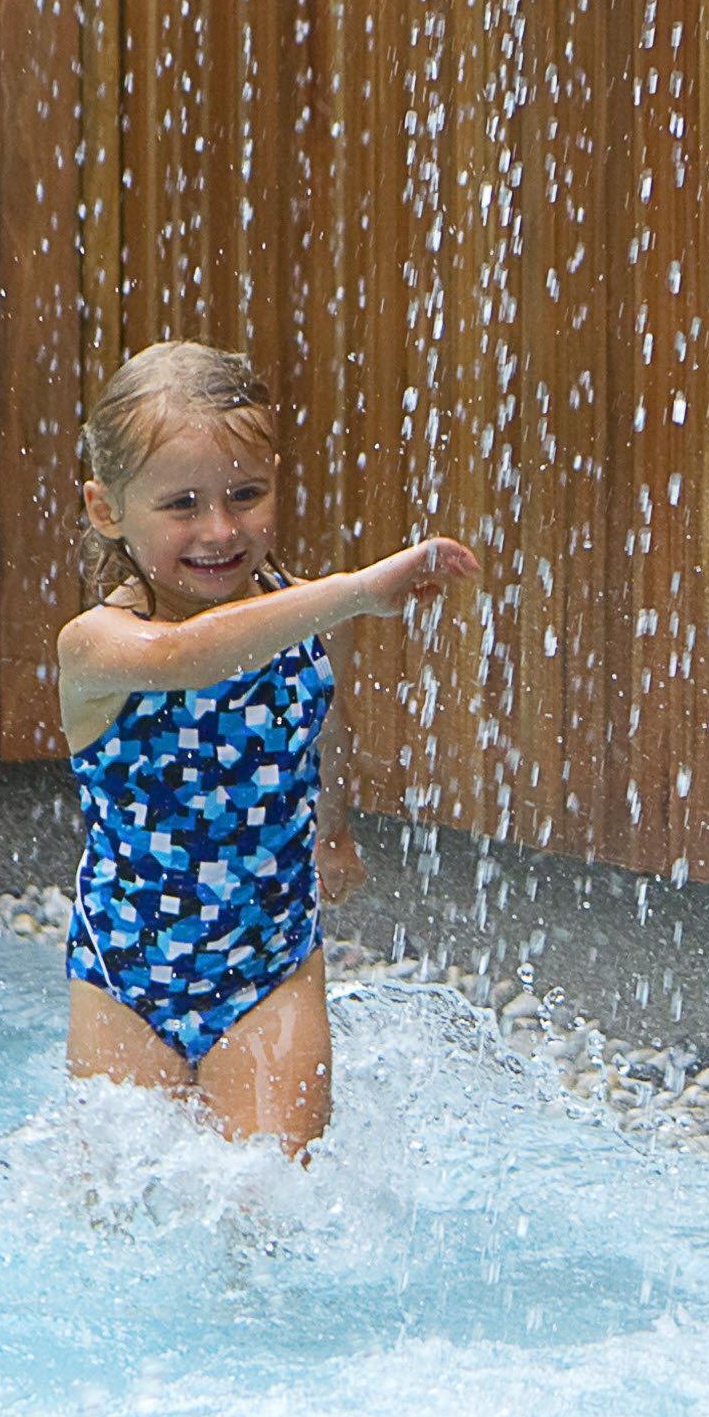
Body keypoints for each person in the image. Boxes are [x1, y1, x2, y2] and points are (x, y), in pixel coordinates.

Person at [58, 339, 483, 1156]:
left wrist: (332, 828)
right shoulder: (98, 644)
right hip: (125, 975)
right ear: (108, 509)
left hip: (271, 966)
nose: (220, 529)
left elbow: (321, 723)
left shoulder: (296, 618)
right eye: (181, 504)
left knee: (273, 1201)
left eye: (245, 494)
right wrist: (357, 592)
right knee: (129, 1212)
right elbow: (184, 660)